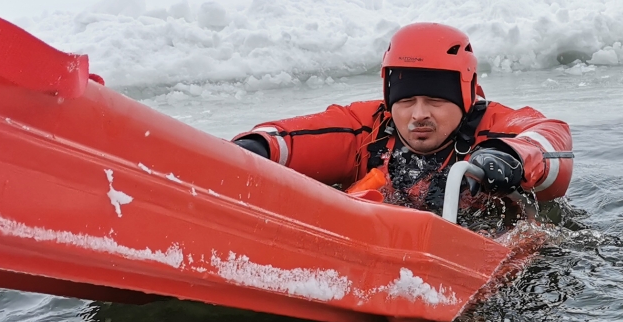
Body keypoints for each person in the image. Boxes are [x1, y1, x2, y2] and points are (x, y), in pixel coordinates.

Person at [231, 23, 574, 215]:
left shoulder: (495, 126)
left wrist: (509, 156)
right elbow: (290, 137)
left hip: (482, 254)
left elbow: (550, 138)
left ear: (466, 97)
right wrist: (255, 148)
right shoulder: (368, 125)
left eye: (437, 101)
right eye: (407, 100)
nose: (419, 114)